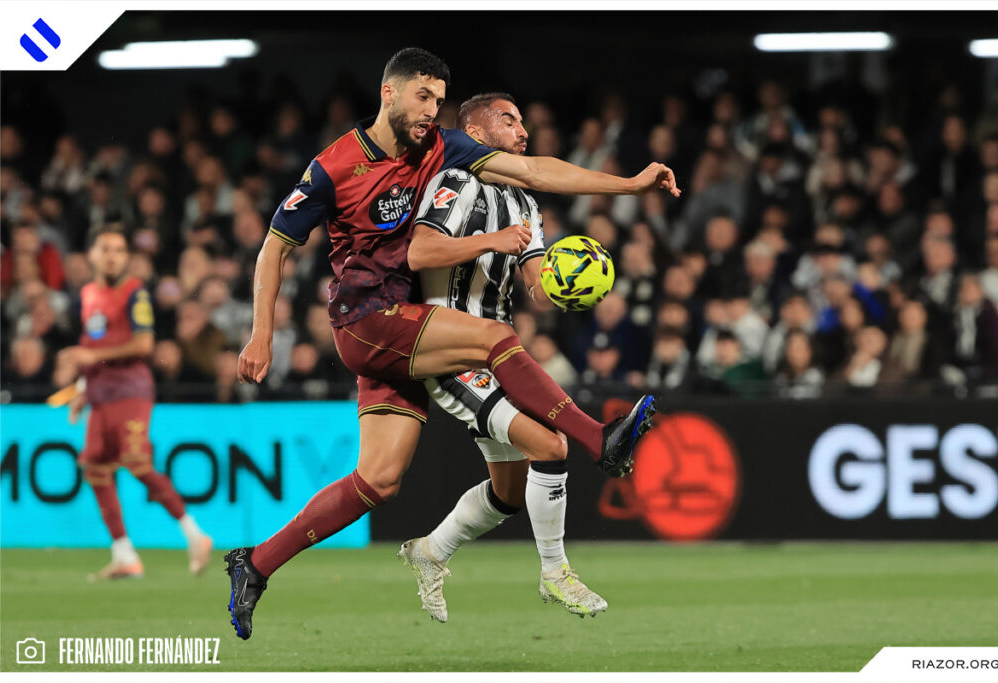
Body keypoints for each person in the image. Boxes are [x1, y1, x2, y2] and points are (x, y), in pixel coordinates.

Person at [226, 47, 677, 640]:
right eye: (422, 97)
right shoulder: (334, 166)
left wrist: (629, 184)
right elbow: (274, 248)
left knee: (379, 481)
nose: (430, 110)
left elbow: (537, 171)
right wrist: (262, 333)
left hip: (406, 330)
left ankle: (254, 564)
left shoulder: (441, 148)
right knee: (496, 341)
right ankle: (600, 440)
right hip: (367, 317)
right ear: (388, 92)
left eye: (438, 100)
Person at [398, 93, 605, 621]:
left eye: (523, 121)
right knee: (550, 445)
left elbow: (536, 282)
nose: (522, 131)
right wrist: (493, 239)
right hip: (446, 345)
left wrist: (573, 280)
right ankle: (556, 573)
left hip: (497, 351)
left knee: (509, 493)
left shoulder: (526, 203)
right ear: (476, 130)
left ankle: (430, 552)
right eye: (508, 120)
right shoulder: (455, 183)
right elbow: (419, 253)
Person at [57, 224, 212, 580]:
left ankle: (194, 534)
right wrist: (82, 388)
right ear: (93, 255)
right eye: (106, 249)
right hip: (100, 393)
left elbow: (143, 346)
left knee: (135, 460)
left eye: (119, 250)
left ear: (125, 258)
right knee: (95, 467)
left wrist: (87, 358)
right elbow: (91, 347)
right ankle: (124, 553)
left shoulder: (135, 294)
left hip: (130, 389)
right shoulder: (87, 295)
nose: (112, 256)